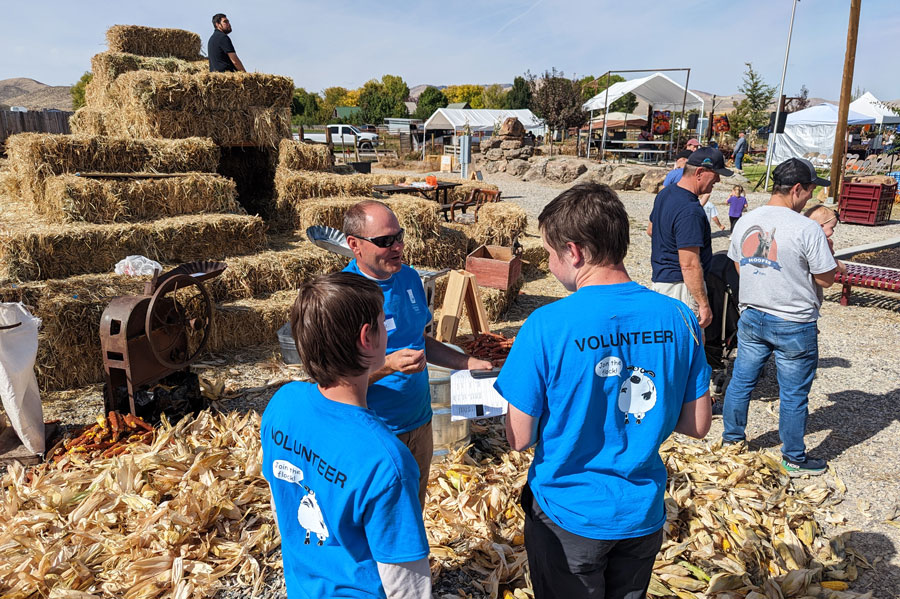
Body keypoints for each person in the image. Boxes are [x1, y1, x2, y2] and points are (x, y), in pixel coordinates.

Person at [495, 183, 711, 599]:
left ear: (573, 252)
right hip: (641, 511)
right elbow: (698, 424)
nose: (552, 264)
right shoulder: (680, 318)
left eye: (550, 254)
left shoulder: (546, 324)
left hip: (568, 513)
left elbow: (520, 437)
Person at [261, 272, 431, 599]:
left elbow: (279, 497)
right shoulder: (387, 461)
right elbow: (408, 590)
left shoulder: (282, 404)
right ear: (367, 337)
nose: (387, 331)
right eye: (383, 324)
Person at [342, 200, 492, 506]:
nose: (397, 247)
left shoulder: (409, 278)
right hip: (375, 431)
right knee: (380, 517)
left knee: (414, 507)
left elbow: (420, 339)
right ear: (354, 245)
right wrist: (388, 366)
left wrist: (466, 361)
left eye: (400, 236)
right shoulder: (344, 297)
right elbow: (335, 381)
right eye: (385, 241)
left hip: (420, 424)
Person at [722, 158, 837, 476]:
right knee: (794, 392)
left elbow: (737, 265)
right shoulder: (807, 228)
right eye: (811, 190)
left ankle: (732, 441)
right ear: (797, 189)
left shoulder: (747, 219)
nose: (811, 197)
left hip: (752, 314)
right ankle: (794, 457)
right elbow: (826, 279)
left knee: (741, 382)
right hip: (794, 320)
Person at [647, 148, 734, 328]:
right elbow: (689, 264)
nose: (718, 180)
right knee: (687, 344)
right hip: (682, 287)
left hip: (661, 282)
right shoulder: (690, 210)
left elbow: (651, 230)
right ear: (700, 172)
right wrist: (703, 304)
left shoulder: (666, 193)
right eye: (716, 174)